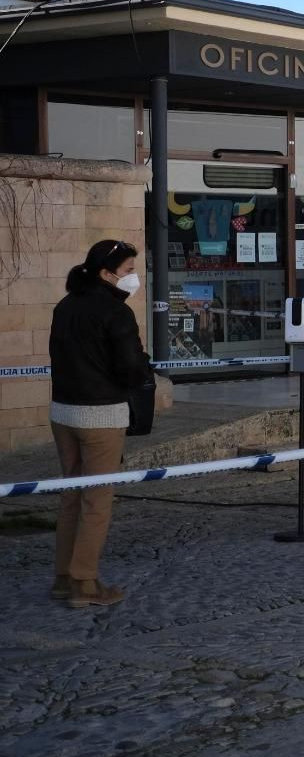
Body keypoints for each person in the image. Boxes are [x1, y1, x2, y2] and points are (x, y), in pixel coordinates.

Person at [47, 239, 153, 608]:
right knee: (97, 501)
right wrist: (143, 367)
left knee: (71, 496)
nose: (133, 278)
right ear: (107, 274)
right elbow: (130, 367)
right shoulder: (115, 312)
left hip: (63, 412)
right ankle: (85, 583)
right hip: (101, 415)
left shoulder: (65, 306)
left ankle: (63, 577)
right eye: (128, 271)